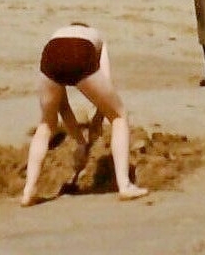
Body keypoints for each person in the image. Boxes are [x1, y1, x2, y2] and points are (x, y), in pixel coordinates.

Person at [21, 24, 147, 206]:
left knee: (46, 124)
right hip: (80, 52)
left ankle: (28, 191)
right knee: (119, 117)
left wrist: (80, 142)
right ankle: (125, 185)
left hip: (51, 55)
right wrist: (97, 120)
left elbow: (62, 107)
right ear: (86, 27)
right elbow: (106, 83)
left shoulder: (57, 34)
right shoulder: (98, 38)